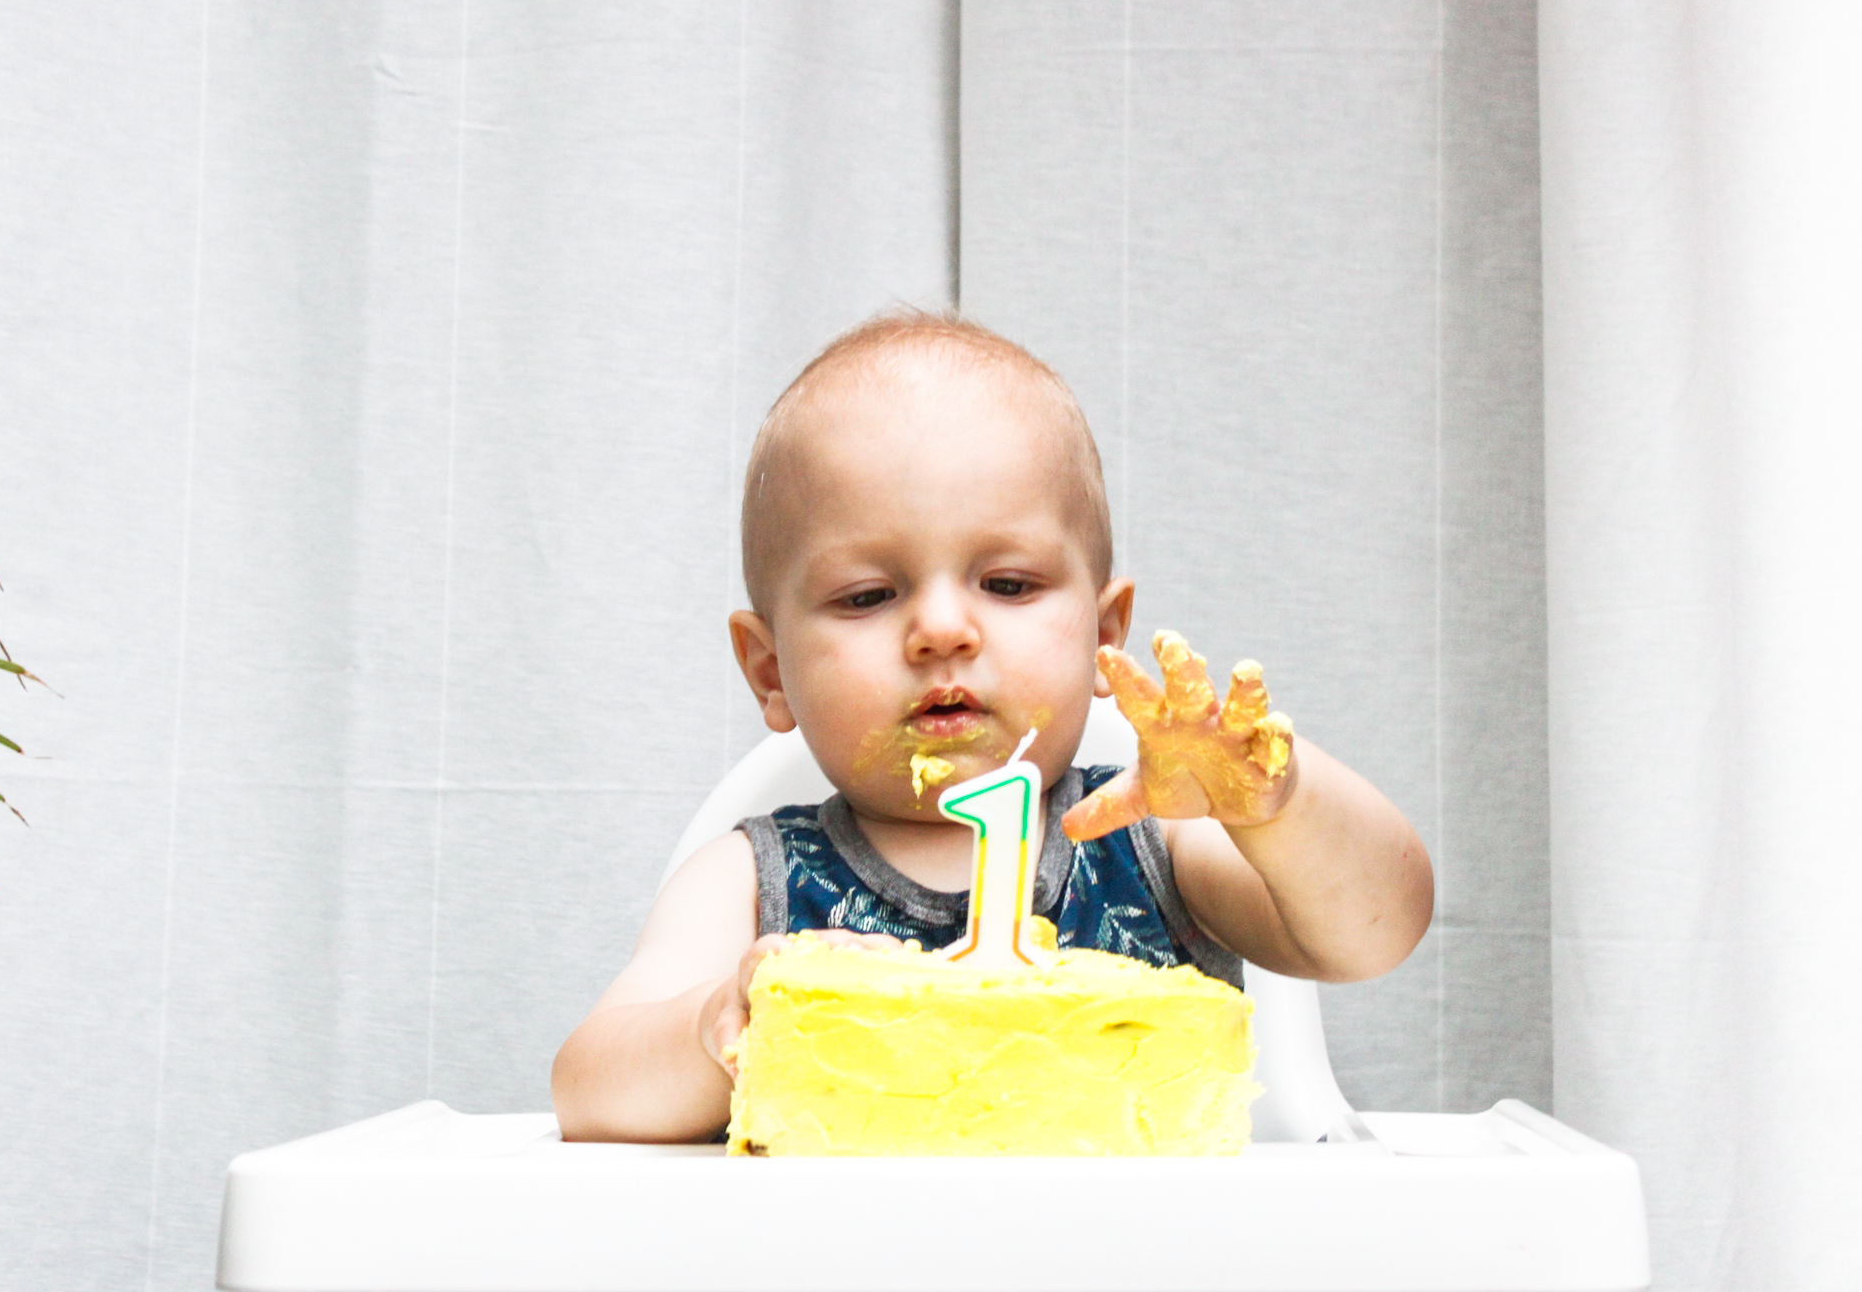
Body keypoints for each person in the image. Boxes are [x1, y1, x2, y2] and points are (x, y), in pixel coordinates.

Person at [550, 311, 1433, 1143]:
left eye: (1007, 585)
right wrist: (724, 1022)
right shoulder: (749, 882)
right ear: (771, 672)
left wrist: (1276, 803)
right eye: (867, 596)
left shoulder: (1159, 847)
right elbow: (587, 1087)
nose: (943, 629)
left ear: (1104, 637)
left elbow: (1376, 932)